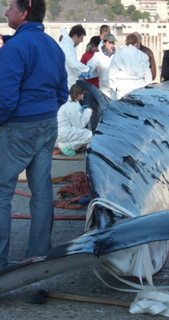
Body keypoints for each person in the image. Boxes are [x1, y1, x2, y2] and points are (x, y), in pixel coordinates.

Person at [0, 0, 69, 271]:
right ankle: (38, 261)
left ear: (25, 12)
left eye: (9, 8)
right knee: (41, 192)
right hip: (47, 122)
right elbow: (63, 90)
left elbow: (5, 96)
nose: (6, 12)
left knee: (2, 192)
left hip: (20, 126)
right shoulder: (53, 45)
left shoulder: (15, 47)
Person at [109, 33, 152, 100]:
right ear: (136, 43)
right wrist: (146, 86)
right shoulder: (143, 55)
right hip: (139, 89)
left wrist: (113, 89)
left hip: (122, 89)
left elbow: (112, 74)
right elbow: (148, 75)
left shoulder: (118, 55)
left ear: (126, 42)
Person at [56, 84, 93, 156]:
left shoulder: (67, 100)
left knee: (83, 133)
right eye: (82, 94)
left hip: (59, 131)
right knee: (90, 135)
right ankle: (66, 146)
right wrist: (88, 111)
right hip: (64, 132)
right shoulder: (73, 104)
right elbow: (80, 124)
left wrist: (81, 111)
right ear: (78, 94)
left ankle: (61, 143)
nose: (82, 96)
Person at [59, 24, 90, 89]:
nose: (82, 41)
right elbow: (72, 62)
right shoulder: (66, 46)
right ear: (75, 36)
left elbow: (73, 66)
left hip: (70, 82)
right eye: (81, 38)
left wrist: (80, 72)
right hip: (66, 83)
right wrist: (86, 69)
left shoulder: (71, 46)